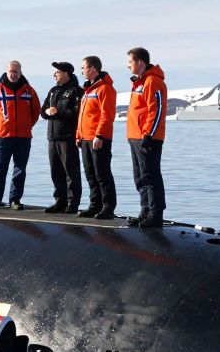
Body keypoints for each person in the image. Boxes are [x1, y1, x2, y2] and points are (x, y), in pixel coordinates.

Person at [0, 60, 41, 212]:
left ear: (20, 72)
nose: (13, 74)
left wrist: (26, 126)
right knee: (0, 168)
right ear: (6, 72)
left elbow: (35, 112)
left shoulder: (29, 91)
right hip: (3, 137)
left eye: (16, 72)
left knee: (20, 169)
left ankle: (15, 199)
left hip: (23, 137)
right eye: (11, 72)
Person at [125, 47, 168, 228]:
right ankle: (145, 211)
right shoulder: (139, 83)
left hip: (148, 137)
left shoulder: (153, 82)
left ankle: (155, 213)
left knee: (150, 176)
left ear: (140, 62)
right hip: (135, 136)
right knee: (140, 177)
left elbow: (156, 109)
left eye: (130, 62)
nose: (128, 66)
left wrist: (148, 134)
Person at [75, 55, 117, 219]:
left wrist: (99, 135)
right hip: (85, 138)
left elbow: (107, 115)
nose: (82, 71)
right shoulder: (88, 90)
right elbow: (83, 116)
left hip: (98, 139)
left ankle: (108, 207)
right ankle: (95, 204)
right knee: (90, 174)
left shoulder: (105, 89)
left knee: (102, 174)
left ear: (92, 69)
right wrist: (78, 135)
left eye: (83, 68)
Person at [41, 61, 83, 213]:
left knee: (71, 172)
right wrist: (48, 112)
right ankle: (60, 200)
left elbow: (76, 114)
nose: (54, 75)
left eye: (57, 72)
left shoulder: (76, 91)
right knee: (56, 171)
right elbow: (43, 111)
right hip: (52, 138)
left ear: (66, 73)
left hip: (67, 137)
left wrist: (57, 112)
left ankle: (73, 203)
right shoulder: (53, 90)